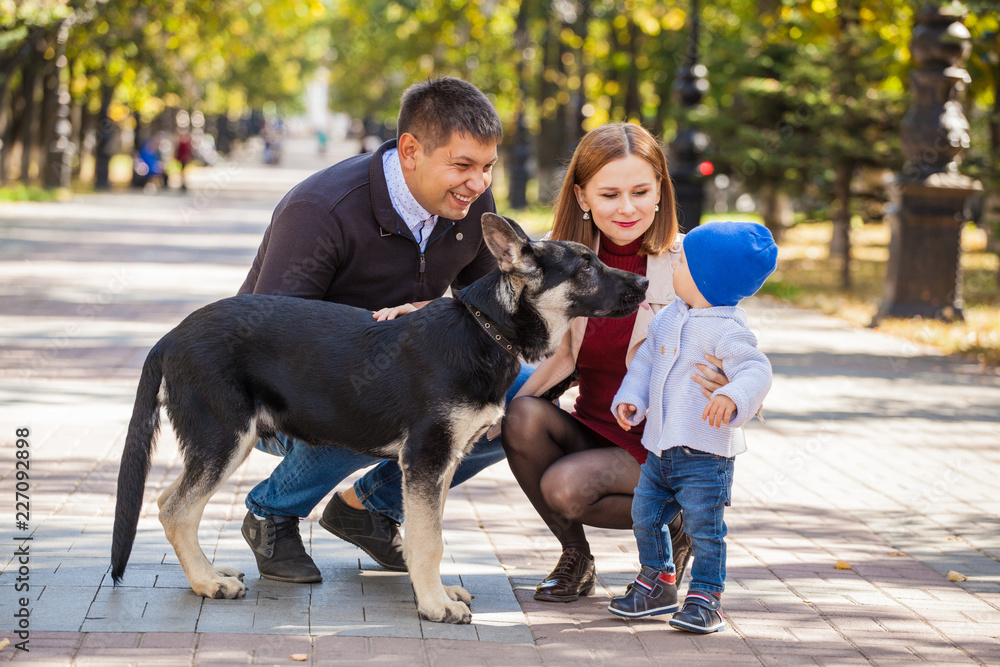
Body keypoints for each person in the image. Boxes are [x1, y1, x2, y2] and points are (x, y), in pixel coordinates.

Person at [237, 77, 532, 583]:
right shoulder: (320, 209)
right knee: (376, 402)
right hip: (277, 392)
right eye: (462, 165)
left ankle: (367, 508)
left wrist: (427, 309)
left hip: (398, 377)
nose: (479, 183)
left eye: (487, 167)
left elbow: (492, 311)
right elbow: (273, 337)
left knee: (521, 401)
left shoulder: (469, 202)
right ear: (411, 151)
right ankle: (272, 513)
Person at [499, 123, 730, 603]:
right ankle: (575, 558)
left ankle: (677, 532)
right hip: (597, 425)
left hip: (664, 446)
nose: (627, 208)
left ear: (661, 192)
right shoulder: (566, 261)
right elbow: (550, 346)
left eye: (641, 191)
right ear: (583, 197)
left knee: (565, 487)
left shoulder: (691, 261)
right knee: (518, 416)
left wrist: (727, 381)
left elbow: (740, 348)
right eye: (610, 194)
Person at [608, 221, 777, 633]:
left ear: (706, 277)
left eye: (681, 262)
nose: (673, 267)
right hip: (661, 449)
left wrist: (733, 396)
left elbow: (756, 370)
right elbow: (647, 362)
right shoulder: (670, 317)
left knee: (705, 530)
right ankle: (658, 582)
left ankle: (706, 597)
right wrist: (632, 397)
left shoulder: (727, 328)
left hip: (706, 454)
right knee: (645, 515)